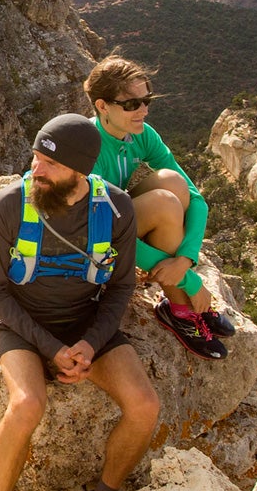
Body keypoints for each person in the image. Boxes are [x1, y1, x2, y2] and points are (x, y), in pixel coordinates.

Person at [0, 113, 163, 491]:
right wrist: (52, 349)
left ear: (80, 170)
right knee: (27, 404)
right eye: (36, 157)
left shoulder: (115, 209)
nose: (36, 169)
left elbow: (120, 289)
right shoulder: (10, 206)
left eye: (50, 163)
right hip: (25, 327)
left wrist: (90, 344)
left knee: (145, 406)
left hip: (86, 327)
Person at [81, 56, 236, 361]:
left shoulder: (142, 135)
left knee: (172, 182)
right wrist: (190, 281)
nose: (144, 110)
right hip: (87, 237)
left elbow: (196, 199)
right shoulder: (88, 146)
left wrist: (185, 260)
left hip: (114, 219)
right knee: (164, 203)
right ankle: (180, 309)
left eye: (146, 100)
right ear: (102, 106)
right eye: (132, 104)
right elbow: (98, 231)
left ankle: (181, 302)